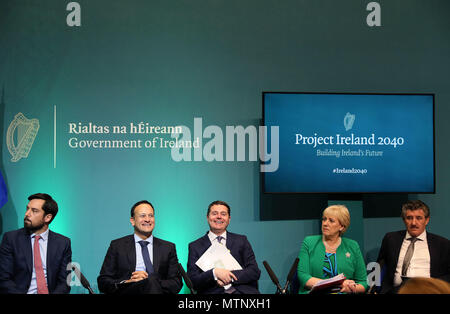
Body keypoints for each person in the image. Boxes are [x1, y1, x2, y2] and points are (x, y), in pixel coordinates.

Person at [97, 200, 182, 294]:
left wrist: (149, 281)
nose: (147, 219)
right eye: (143, 215)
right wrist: (127, 282)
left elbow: (176, 282)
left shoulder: (167, 248)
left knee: (151, 282)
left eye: (151, 215)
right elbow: (103, 282)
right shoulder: (117, 246)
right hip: (128, 291)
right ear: (132, 221)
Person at [0, 193, 72, 294]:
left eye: (34, 211)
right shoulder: (11, 239)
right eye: (27, 209)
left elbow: (65, 282)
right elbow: (4, 279)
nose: (27, 214)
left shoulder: (63, 243)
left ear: (47, 217)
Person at [187, 200, 260, 294]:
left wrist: (228, 276)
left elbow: (254, 271)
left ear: (229, 219)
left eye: (223, 214)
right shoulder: (195, 246)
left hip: (242, 292)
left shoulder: (241, 240)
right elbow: (193, 280)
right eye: (214, 213)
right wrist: (214, 273)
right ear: (207, 217)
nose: (219, 217)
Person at [377, 200, 450, 294]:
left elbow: (448, 274)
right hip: (396, 291)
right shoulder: (391, 239)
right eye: (409, 218)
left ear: (427, 220)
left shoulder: (442, 244)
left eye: (419, 218)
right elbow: (380, 266)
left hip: (428, 291)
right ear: (404, 220)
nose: (414, 223)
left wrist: (430, 286)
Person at [297, 205, 367, 294]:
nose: (325, 223)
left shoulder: (353, 246)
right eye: (324, 219)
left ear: (342, 226)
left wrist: (351, 288)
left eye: (331, 221)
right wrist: (340, 284)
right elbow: (303, 277)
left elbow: (363, 283)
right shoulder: (309, 242)